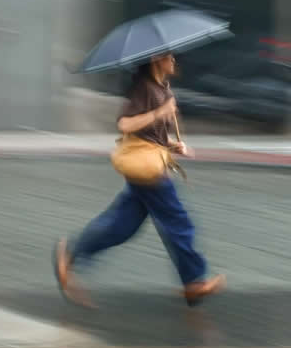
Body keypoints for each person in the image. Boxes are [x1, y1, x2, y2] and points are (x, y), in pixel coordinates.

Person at [54, 53, 226, 308]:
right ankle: (193, 282)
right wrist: (160, 112)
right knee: (178, 221)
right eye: (170, 57)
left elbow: (150, 135)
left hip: (148, 165)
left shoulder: (160, 88)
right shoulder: (144, 87)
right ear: (157, 60)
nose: (174, 62)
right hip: (149, 171)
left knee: (121, 226)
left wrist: (172, 145)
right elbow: (125, 124)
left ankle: (70, 255)